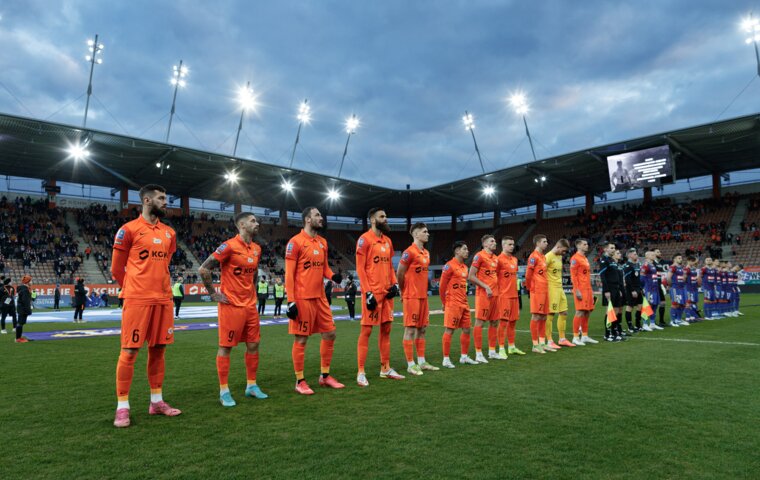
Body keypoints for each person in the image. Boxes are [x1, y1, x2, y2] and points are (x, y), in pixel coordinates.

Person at [110, 184, 181, 428]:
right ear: (147, 200)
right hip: (137, 300)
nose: (165, 201)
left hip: (163, 300)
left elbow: (165, 263)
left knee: (159, 350)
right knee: (130, 352)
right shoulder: (128, 230)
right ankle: (122, 407)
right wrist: (132, 290)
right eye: (161, 198)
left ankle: (156, 402)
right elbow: (116, 269)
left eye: (166, 197)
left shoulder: (170, 233)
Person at [198, 211, 268, 407]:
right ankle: (224, 391)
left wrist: (251, 292)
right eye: (253, 220)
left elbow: (253, 273)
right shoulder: (228, 246)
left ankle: (252, 386)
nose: (257, 223)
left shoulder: (256, 249)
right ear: (242, 225)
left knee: (253, 345)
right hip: (231, 306)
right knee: (226, 348)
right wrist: (213, 293)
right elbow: (204, 268)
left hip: (250, 306)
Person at [285, 206, 345, 395]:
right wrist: (290, 300)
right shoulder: (295, 242)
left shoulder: (323, 242)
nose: (321, 218)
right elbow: (289, 274)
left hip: (320, 298)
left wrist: (332, 276)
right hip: (303, 299)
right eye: (317, 215)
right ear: (307, 219)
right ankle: (300, 381)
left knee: (330, 334)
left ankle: (324, 376)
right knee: (301, 339)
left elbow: (324, 267)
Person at [355, 207, 404, 386]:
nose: (386, 219)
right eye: (382, 216)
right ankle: (361, 371)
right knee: (367, 331)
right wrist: (367, 292)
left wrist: (395, 284)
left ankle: (385, 368)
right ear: (373, 220)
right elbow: (360, 268)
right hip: (373, 294)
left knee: (386, 330)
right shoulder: (364, 240)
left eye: (386, 216)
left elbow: (390, 266)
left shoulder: (388, 241)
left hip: (387, 293)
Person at [397, 222, 438, 376]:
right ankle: (410, 364)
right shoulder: (409, 252)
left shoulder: (426, 253)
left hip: (423, 296)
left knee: (423, 329)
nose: (428, 234)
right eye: (425, 232)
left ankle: (421, 361)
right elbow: (400, 273)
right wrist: (403, 290)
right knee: (410, 329)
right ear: (415, 234)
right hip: (411, 296)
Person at [439, 241, 477, 368]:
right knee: (450, 330)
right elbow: (442, 287)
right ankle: (445, 359)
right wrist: (444, 303)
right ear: (457, 251)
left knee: (467, 329)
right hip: (453, 303)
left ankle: (464, 357)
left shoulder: (465, 268)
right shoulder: (449, 266)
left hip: (464, 303)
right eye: (465, 249)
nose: (467, 251)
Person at [468, 234, 502, 362]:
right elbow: (470, 276)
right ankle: (478, 353)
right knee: (480, 322)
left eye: (494, 241)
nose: (495, 243)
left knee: (494, 322)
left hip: (495, 295)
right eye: (492, 241)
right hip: (483, 295)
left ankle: (492, 351)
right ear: (485, 244)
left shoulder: (495, 258)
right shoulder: (479, 256)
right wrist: (485, 286)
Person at [496, 236, 524, 357]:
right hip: (504, 296)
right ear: (503, 245)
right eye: (509, 244)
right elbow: (494, 277)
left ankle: (511, 347)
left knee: (513, 322)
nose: (512, 246)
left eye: (513, 244)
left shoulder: (514, 259)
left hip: (514, 296)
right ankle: (501, 348)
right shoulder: (498, 260)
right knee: (503, 322)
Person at [570, 238, 598, 345]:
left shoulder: (584, 258)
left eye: (587, 244)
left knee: (587, 312)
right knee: (580, 311)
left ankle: (585, 336)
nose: (587, 245)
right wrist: (577, 290)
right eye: (584, 244)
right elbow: (573, 276)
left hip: (588, 289)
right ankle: (575, 337)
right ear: (578, 246)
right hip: (580, 289)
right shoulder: (575, 258)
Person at [545, 238, 572, 349]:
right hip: (551, 288)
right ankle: (549, 341)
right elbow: (540, 272)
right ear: (558, 246)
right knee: (550, 314)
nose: (564, 253)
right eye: (563, 250)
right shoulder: (548, 256)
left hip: (559, 288)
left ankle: (562, 339)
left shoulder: (559, 257)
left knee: (564, 312)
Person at [525, 234, 550, 354]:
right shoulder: (533, 257)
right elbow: (528, 274)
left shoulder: (543, 257)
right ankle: (535, 345)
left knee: (544, 316)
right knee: (536, 316)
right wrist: (530, 288)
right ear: (538, 243)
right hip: (537, 290)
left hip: (545, 289)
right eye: (544, 242)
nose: (547, 243)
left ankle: (542, 343)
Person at [599, 242, 624, 341]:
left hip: (616, 288)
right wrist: (606, 290)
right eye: (611, 248)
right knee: (610, 311)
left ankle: (614, 332)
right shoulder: (604, 260)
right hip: (610, 288)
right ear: (605, 249)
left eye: (614, 248)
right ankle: (607, 334)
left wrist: (619, 289)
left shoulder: (611, 260)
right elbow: (603, 276)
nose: (613, 249)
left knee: (616, 311)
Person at [640, 251, 664, 331]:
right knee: (648, 306)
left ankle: (652, 323)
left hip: (655, 288)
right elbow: (642, 278)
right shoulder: (645, 265)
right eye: (652, 254)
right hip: (649, 289)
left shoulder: (653, 265)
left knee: (655, 305)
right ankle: (645, 324)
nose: (654, 255)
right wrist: (642, 288)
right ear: (647, 256)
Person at [623, 248, 643, 332]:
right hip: (631, 289)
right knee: (630, 307)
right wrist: (632, 290)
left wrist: (640, 288)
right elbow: (627, 279)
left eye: (636, 254)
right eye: (634, 254)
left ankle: (638, 325)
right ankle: (630, 326)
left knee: (640, 306)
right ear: (629, 255)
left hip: (638, 288)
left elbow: (638, 278)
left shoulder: (637, 264)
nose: (636, 255)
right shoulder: (627, 265)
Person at [665, 253, 688, 327]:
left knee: (683, 304)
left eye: (681, 258)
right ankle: (672, 321)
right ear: (674, 259)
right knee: (675, 304)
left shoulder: (681, 267)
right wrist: (671, 285)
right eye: (679, 258)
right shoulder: (672, 267)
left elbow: (683, 278)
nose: (680, 259)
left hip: (682, 288)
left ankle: (678, 319)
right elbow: (668, 278)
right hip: (675, 288)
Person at [653, 249, 669, 328]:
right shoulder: (651, 263)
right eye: (658, 252)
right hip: (653, 286)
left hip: (659, 285)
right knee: (652, 304)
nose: (660, 253)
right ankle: (650, 322)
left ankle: (661, 321)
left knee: (663, 303)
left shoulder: (658, 263)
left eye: (660, 251)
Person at [15, 275, 32, 343]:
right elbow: (25, 301)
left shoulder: (23, 288)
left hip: (21, 308)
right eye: (31, 281)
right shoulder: (25, 290)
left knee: (21, 323)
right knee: (20, 323)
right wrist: (28, 310)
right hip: (23, 309)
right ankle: (18, 338)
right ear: (28, 282)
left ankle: (19, 337)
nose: (32, 282)